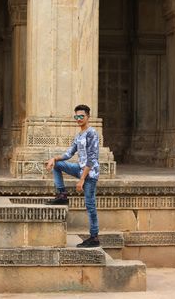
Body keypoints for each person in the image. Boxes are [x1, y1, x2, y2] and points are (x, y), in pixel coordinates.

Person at [46, 104, 100, 248]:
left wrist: (81, 180)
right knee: (57, 165)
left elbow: (92, 158)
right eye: (76, 116)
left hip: (90, 173)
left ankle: (94, 237)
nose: (79, 119)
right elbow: (68, 154)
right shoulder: (79, 135)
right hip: (80, 168)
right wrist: (54, 159)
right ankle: (62, 195)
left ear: (88, 117)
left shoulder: (91, 133)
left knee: (90, 205)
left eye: (81, 116)